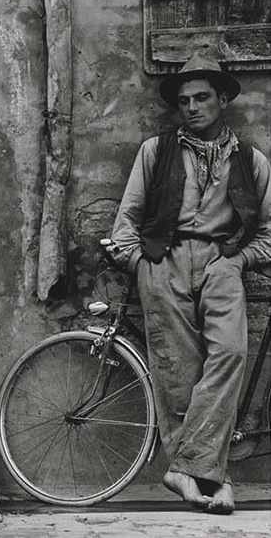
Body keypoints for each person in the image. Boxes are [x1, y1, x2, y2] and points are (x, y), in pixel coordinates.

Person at [110, 52, 271, 514]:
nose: (192, 107)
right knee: (178, 370)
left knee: (229, 355)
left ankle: (189, 469)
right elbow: (126, 224)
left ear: (223, 100)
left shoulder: (250, 159)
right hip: (165, 260)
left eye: (202, 98)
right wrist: (142, 263)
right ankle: (212, 480)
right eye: (184, 101)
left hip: (224, 261)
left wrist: (239, 261)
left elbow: (268, 232)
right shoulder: (155, 152)